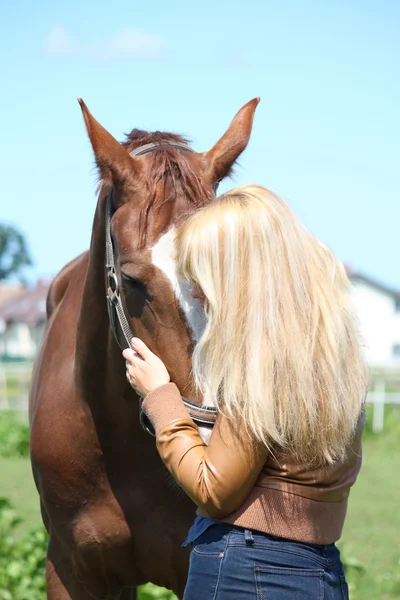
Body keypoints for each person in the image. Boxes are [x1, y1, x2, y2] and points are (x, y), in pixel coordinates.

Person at [123, 184, 368, 599]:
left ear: (239, 274)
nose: (196, 293)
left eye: (202, 276)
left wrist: (159, 397)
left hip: (245, 568)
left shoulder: (260, 360)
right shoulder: (332, 349)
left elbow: (214, 490)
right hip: (319, 567)